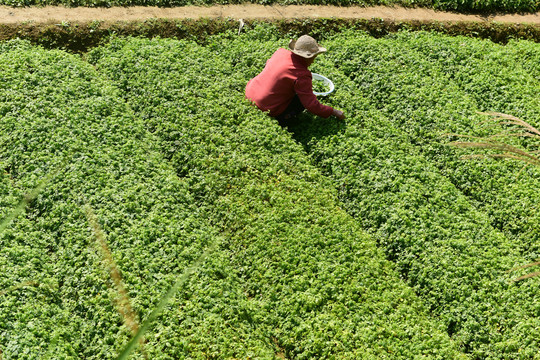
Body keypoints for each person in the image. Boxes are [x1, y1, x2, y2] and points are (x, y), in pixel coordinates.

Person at [245, 35, 346, 126]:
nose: (314, 61)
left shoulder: (280, 52)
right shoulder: (302, 75)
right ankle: (284, 119)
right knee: (300, 101)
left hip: (250, 92)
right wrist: (333, 112)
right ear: (307, 57)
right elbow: (311, 105)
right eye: (314, 57)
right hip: (266, 106)